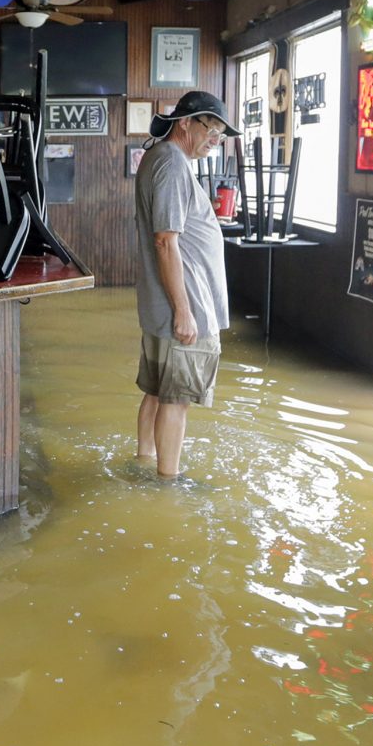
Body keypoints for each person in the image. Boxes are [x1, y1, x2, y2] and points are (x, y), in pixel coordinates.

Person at [134, 90, 240, 480]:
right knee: (176, 400)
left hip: (165, 307)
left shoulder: (161, 159)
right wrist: (184, 311)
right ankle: (168, 484)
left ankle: (144, 463)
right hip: (182, 308)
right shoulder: (173, 165)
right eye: (210, 127)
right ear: (185, 123)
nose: (216, 137)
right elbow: (165, 240)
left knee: (158, 392)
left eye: (220, 132)